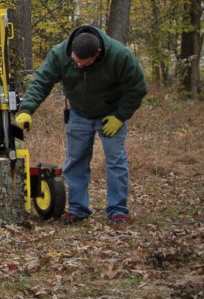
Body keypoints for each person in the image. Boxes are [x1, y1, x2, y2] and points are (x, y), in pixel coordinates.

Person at [14, 25, 147, 225]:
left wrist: (120, 116)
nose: (78, 66)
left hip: (111, 113)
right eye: (75, 62)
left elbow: (138, 87)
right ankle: (78, 209)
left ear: (98, 54)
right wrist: (26, 110)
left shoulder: (119, 55)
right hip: (78, 113)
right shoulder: (60, 53)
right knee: (75, 162)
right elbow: (42, 81)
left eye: (84, 64)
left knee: (115, 161)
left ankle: (118, 211)